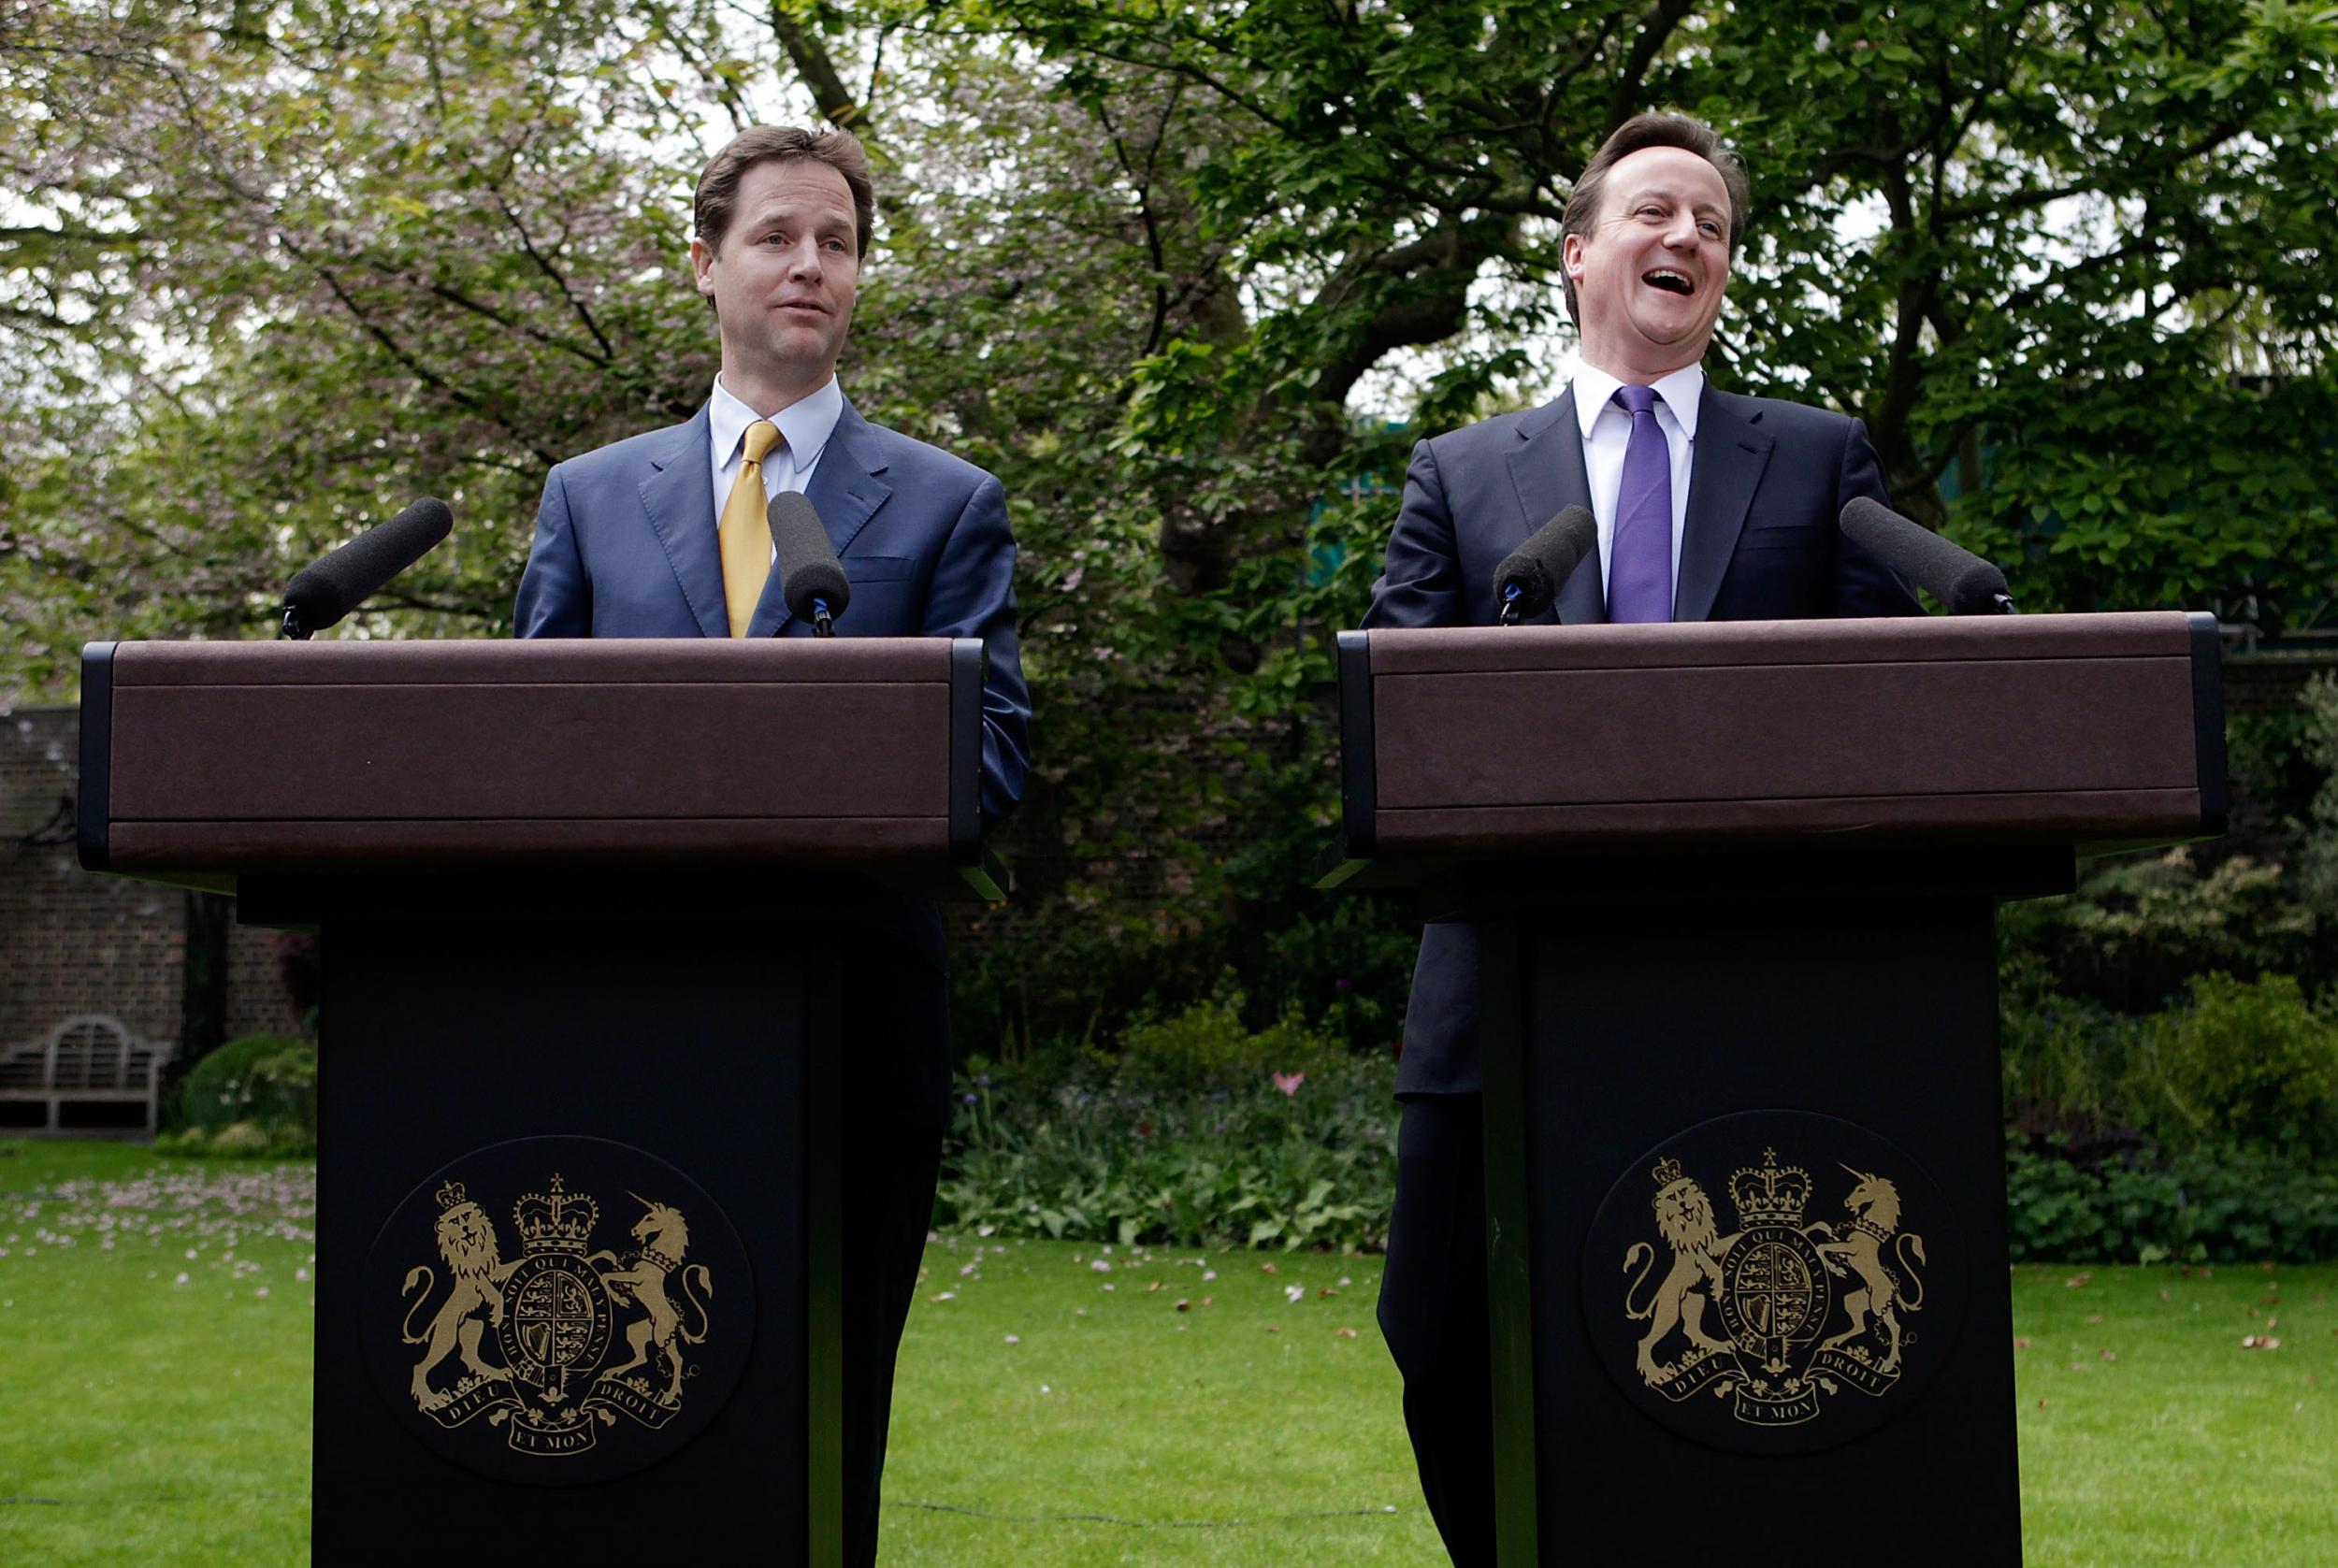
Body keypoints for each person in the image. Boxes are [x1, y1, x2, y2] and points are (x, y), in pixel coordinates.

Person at [1361, 111, 1917, 1566]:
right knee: (1439, 1325)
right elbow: (1397, 719)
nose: (1687, 240)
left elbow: (1878, 710)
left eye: (1715, 228)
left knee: (1736, 1350)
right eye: (1657, 214)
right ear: (1579, 253)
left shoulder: (1811, 458)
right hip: (1502, 989)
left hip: (1746, 990)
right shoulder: (1466, 475)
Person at [512, 125, 1030, 1567]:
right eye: (777, 237)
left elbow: (989, 760)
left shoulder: (943, 504)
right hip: (626, 1038)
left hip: (853, 1039)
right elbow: (519, 757)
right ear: (706, 262)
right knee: (618, 1415)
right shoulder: (590, 498)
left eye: (840, 243)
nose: (812, 265)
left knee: (821, 1430)